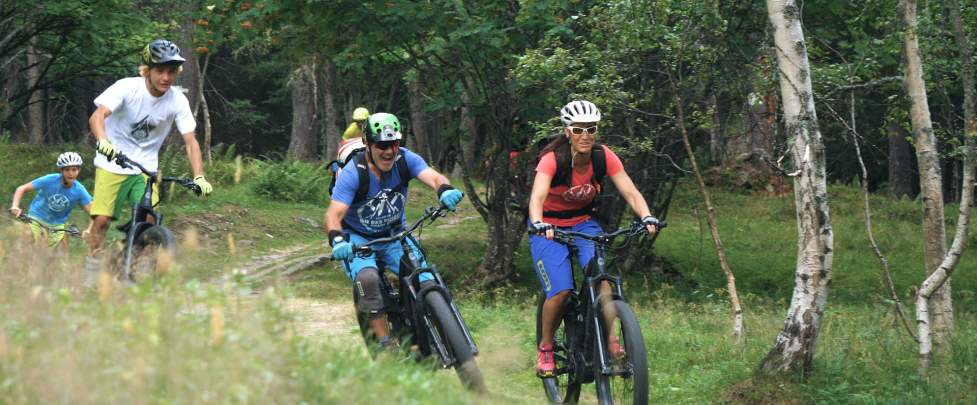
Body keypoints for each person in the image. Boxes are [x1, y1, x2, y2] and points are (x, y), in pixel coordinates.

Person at [529, 100, 660, 376]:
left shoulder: (603, 157)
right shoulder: (552, 159)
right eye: (578, 129)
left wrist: (646, 215)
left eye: (591, 129)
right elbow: (538, 197)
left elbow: (632, 192)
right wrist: (539, 223)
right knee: (562, 290)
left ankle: (610, 340)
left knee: (602, 282)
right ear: (567, 131)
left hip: (584, 223)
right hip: (549, 227)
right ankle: (546, 348)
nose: (585, 135)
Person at [324, 112, 464, 349]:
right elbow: (333, 215)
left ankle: (447, 329)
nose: (389, 151)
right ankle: (386, 344)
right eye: (382, 145)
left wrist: (444, 189)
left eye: (394, 143)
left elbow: (432, 176)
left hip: (394, 234)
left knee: (425, 276)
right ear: (367, 143)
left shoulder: (405, 159)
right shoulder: (353, 172)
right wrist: (337, 240)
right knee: (367, 279)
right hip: (359, 239)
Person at [85, 39, 213, 280]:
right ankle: (91, 273)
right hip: (112, 163)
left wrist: (199, 176)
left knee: (151, 221)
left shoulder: (177, 100)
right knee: (101, 221)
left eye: (171, 72)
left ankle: (131, 265)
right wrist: (103, 141)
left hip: (145, 168)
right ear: (147, 70)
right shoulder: (126, 88)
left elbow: (191, 141)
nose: (166, 77)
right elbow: (97, 116)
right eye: (160, 71)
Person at [8, 152, 93, 252]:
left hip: (57, 225)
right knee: (29, 246)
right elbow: (21, 188)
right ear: (61, 170)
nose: (71, 173)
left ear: (78, 170)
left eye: (74, 170)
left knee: (49, 256)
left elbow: (94, 213)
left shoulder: (79, 190)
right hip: (36, 217)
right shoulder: (49, 180)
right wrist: (15, 206)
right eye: (67, 170)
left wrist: (89, 230)